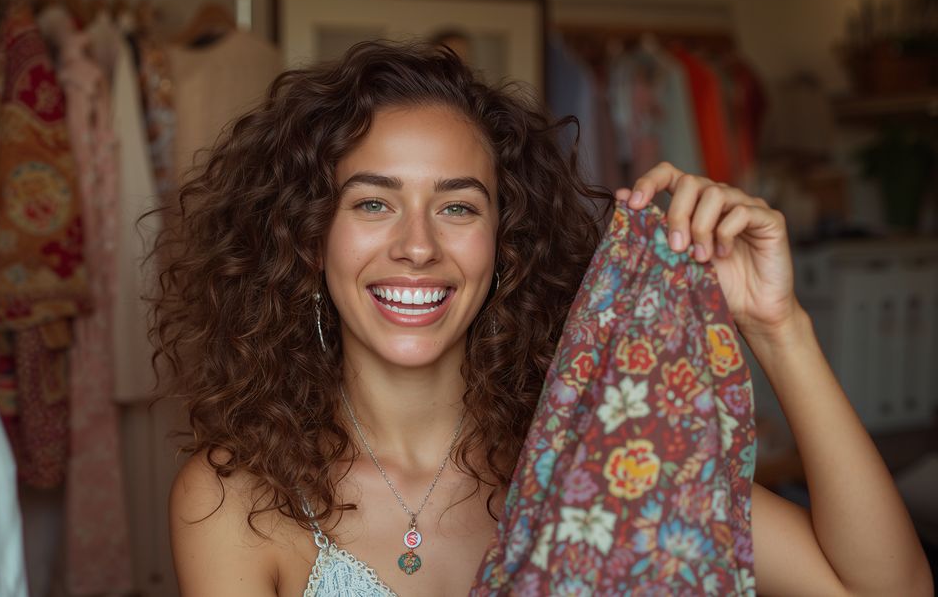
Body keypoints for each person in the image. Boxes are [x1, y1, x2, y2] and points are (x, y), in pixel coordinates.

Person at [159, 41, 932, 596]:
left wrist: (778, 327)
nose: (418, 246)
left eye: (458, 205)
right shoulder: (236, 499)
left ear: (506, 242)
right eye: (372, 202)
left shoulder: (607, 445)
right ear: (306, 235)